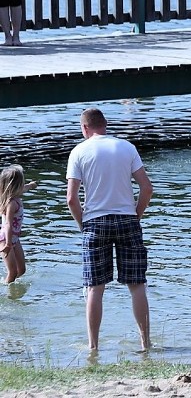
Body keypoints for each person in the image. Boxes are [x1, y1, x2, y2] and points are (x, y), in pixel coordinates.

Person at [66, 108, 154, 352]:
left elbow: (72, 199)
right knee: (137, 284)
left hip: (95, 222)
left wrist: (83, 224)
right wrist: (135, 216)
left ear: (84, 128)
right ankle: (145, 343)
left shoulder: (78, 152)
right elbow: (147, 188)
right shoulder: (126, 147)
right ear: (105, 125)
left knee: (95, 287)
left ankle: (93, 347)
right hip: (127, 219)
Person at [0, 164, 36, 284]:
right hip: (6, 240)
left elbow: (25, 188)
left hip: (14, 238)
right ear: (15, 186)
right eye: (22, 182)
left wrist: (31, 186)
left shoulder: (17, 193)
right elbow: (8, 225)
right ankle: (7, 293)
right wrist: (9, 244)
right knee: (13, 272)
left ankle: (14, 289)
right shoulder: (11, 203)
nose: (23, 186)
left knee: (22, 269)